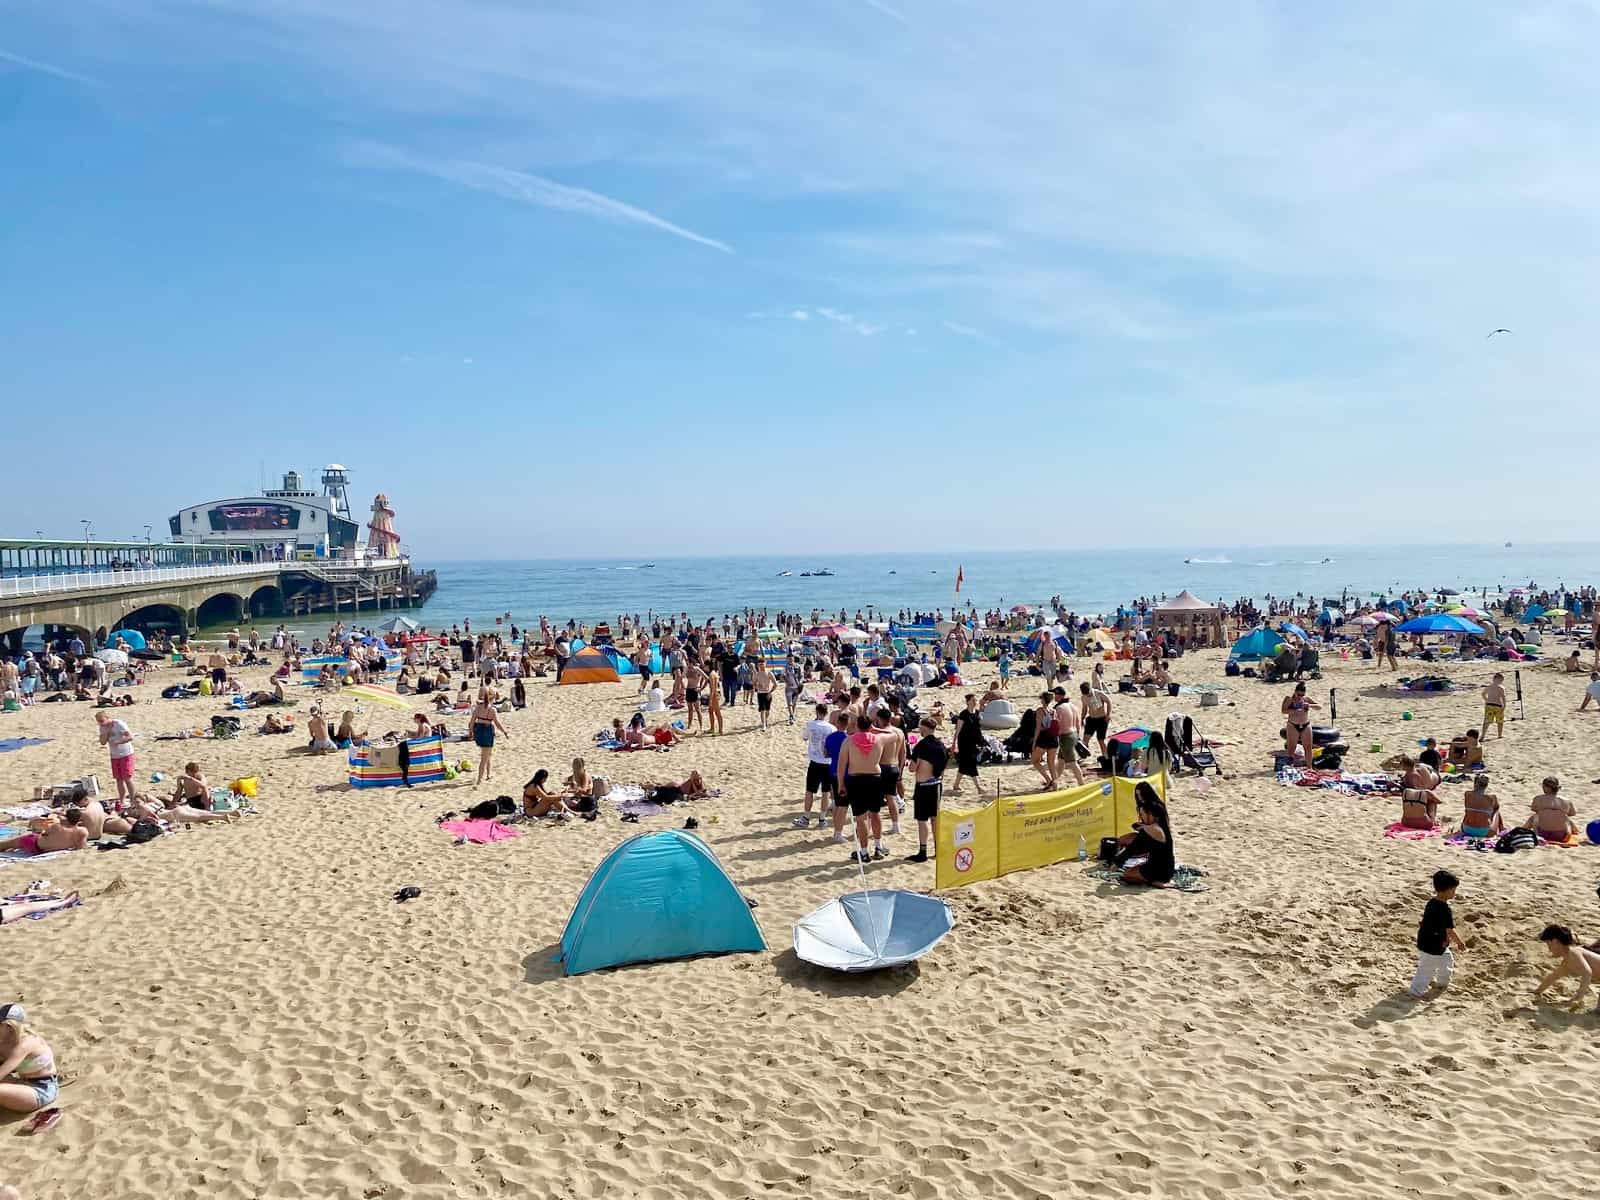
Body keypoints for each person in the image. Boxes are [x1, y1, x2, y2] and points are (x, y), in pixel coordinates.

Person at [838, 713, 887, 863]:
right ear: (870, 726)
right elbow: (894, 734)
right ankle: (878, 846)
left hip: (856, 779)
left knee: (860, 818)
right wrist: (876, 730)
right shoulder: (879, 739)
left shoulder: (849, 741)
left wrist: (841, 784)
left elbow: (842, 766)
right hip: (875, 778)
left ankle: (864, 852)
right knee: (875, 814)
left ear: (857, 725)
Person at [1409, 869, 1464, 998]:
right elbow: (1449, 930)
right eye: (1453, 890)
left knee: (1446, 961)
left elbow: (1425, 921)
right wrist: (1460, 942)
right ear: (1445, 890)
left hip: (1430, 942)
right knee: (1426, 969)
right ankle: (1415, 991)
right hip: (1432, 945)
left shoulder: (1431, 902)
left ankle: (1442, 983)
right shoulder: (1445, 909)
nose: (1454, 894)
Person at [0, 1004, 60, 1114]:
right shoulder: (5, 1040)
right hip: (22, 1082)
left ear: (10, 1027)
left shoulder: (26, 1043)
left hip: (41, 1089)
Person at [1112, 782, 1174, 885]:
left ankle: (1155, 881)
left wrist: (1118, 862)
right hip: (1165, 866)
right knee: (1125, 841)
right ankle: (1154, 879)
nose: (1139, 798)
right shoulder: (1158, 825)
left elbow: (1134, 848)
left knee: (1127, 875)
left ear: (1149, 814)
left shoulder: (1152, 830)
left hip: (1160, 869)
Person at [905, 716, 947, 863]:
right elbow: (942, 768)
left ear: (924, 728)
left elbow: (912, 768)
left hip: (923, 786)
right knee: (935, 819)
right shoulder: (941, 745)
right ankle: (938, 850)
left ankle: (923, 851)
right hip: (936, 785)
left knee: (922, 820)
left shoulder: (921, 746)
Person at [1532, 925, 1600, 1011]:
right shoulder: (1567, 961)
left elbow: (1587, 973)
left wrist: (1578, 998)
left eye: (1549, 945)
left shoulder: (1574, 952)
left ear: (1555, 942)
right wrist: (1538, 991)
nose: (1549, 949)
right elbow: (1554, 976)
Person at [795, 703, 835, 829]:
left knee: (810, 791)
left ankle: (806, 817)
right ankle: (822, 819)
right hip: (827, 763)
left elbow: (804, 737)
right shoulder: (831, 728)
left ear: (817, 712)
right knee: (825, 792)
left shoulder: (811, 725)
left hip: (815, 762)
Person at [873, 708, 906, 835]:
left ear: (880, 719)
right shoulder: (899, 732)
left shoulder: (881, 734)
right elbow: (903, 753)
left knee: (875, 800)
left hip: (883, 767)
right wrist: (901, 770)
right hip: (895, 766)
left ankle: (872, 827)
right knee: (891, 797)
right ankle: (896, 826)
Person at [95, 709, 137, 804]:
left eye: (102, 721)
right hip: (114, 755)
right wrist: (106, 733)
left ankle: (133, 799)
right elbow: (102, 742)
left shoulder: (119, 724)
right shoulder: (103, 728)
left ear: (107, 718)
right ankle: (122, 800)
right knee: (118, 779)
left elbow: (130, 737)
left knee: (127, 778)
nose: (101, 724)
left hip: (126, 753)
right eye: (99, 722)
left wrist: (119, 741)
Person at [0, 812, 88, 856]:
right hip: (45, 850)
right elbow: (81, 847)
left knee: (10, 843)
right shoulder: (82, 831)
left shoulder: (57, 827)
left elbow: (44, 834)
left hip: (35, 845)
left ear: (67, 819)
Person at [469, 690, 509, 786]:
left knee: (488, 754)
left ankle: (488, 774)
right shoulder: (492, 709)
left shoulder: (478, 708)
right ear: (492, 699)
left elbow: (471, 722)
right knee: (484, 757)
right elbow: (497, 723)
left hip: (479, 730)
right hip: (487, 731)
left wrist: (471, 732)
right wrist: (505, 732)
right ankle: (479, 779)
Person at [1522, 776, 1577, 840]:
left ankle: (1522, 830)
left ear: (1546, 787)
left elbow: (1534, 809)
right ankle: (1574, 831)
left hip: (1541, 834)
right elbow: (1572, 813)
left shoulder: (1538, 798)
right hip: (1561, 836)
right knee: (1566, 818)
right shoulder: (1566, 800)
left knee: (1534, 817)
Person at [1053, 686, 1086, 786]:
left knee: (1072, 763)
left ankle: (1081, 783)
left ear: (1059, 696)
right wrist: (1078, 736)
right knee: (1061, 760)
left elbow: (1057, 725)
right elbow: (1078, 722)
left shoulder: (1059, 708)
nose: (1054, 697)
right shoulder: (1072, 705)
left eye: (1055, 694)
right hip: (1074, 733)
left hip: (1065, 736)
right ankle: (1055, 780)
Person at [950, 692, 982, 796]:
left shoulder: (976, 713)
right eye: (973, 700)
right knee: (971, 764)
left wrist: (980, 741)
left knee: (964, 765)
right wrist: (954, 744)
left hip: (972, 742)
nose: (975, 702)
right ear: (968, 702)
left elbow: (977, 728)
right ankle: (979, 788)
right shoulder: (963, 714)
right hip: (964, 742)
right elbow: (957, 730)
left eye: (975, 700)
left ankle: (956, 785)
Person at [1281, 682, 1318, 765]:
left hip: (1305, 724)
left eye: (1302, 695)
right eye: (1298, 694)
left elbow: (1319, 706)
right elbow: (1283, 710)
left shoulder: (1306, 699)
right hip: (1293, 725)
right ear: (1295, 692)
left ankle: (1309, 767)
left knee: (1308, 747)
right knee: (1291, 748)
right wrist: (1294, 711)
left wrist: (1310, 705)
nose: (1300, 697)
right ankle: (1289, 766)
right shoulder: (1289, 699)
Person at [1459, 773, 1503, 839]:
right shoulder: (1492, 797)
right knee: (1497, 811)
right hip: (1484, 832)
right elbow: (1496, 807)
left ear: (1474, 783)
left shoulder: (1467, 794)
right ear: (1486, 785)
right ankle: (1502, 828)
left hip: (1466, 829)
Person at [1030, 691, 1059, 789]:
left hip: (1044, 738)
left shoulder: (1040, 711)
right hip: (1054, 738)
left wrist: (1034, 742)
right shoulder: (1053, 711)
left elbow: (1038, 728)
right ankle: (1055, 785)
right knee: (1051, 763)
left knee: (1035, 761)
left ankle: (1048, 780)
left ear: (1043, 699)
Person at [1081, 677, 1111, 758]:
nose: (1088, 695)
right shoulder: (1084, 697)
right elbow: (1084, 708)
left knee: (1101, 740)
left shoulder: (1098, 693)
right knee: (1085, 738)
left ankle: (1106, 757)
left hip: (1101, 719)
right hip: (1091, 719)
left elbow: (1108, 701)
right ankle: (1083, 756)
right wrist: (1082, 718)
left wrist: (1108, 715)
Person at [1482, 672, 1507, 737]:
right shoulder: (1501, 688)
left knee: (1487, 721)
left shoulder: (1489, 686)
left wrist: (1486, 699)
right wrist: (1504, 705)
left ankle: (1483, 735)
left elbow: (1483, 694)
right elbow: (1503, 697)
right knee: (1500, 721)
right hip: (1498, 705)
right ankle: (1499, 735)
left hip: (1489, 705)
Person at [752, 661, 776, 731]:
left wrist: (770, 692)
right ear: (758, 665)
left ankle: (765, 721)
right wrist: (757, 686)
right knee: (762, 710)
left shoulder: (769, 673)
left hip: (768, 693)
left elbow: (775, 684)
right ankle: (764, 725)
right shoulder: (757, 674)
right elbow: (753, 684)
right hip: (760, 693)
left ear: (765, 664)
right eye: (760, 665)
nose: (761, 666)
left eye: (762, 664)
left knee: (767, 710)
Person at [684, 659, 706, 733]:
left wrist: (701, 688)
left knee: (698, 709)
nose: (688, 665)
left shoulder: (697, 669)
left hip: (695, 690)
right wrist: (683, 686)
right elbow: (681, 677)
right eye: (687, 663)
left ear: (692, 663)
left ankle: (701, 726)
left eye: (689, 663)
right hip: (688, 690)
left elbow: (706, 678)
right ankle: (689, 725)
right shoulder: (687, 669)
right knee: (690, 709)